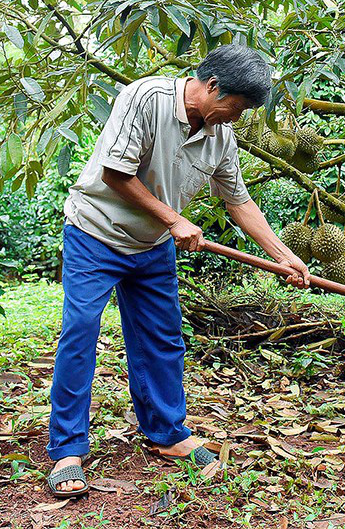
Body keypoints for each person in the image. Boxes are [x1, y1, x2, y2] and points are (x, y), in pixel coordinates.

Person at [45, 44, 311, 498]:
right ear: (211, 87)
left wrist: (282, 254)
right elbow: (115, 172)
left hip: (151, 246)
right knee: (81, 331)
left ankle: (167, 433)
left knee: (162, 339)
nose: (238, 117)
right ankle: (68, 449)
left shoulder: (220, 137)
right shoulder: (145, 98)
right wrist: (173, 219)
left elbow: (238, 201)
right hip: (95, 233)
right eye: (237, 106)